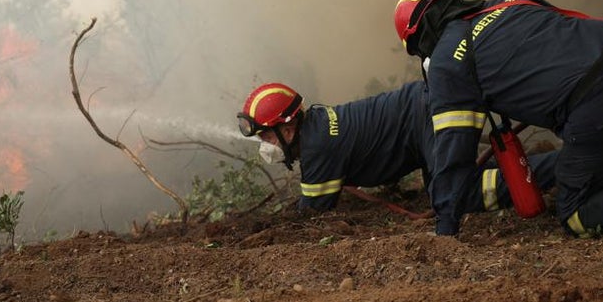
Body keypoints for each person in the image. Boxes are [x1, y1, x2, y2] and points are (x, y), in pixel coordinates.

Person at [392, 0, 603, 241]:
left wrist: (446, 229)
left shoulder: (448, 62)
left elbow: (453, 151)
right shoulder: (513, 1)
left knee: (575, 215)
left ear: (420, 39)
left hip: (600, 105)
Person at [236, 80, 559, 218]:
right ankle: (550, 162)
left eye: (267, 138)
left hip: (427, 117)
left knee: (457, 195)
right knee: (444, 189)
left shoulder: (320, 148)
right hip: (424, 110)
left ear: (289, 129)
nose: (266, 146)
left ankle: (565, 164)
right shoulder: (317, 124)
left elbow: (311, 214)